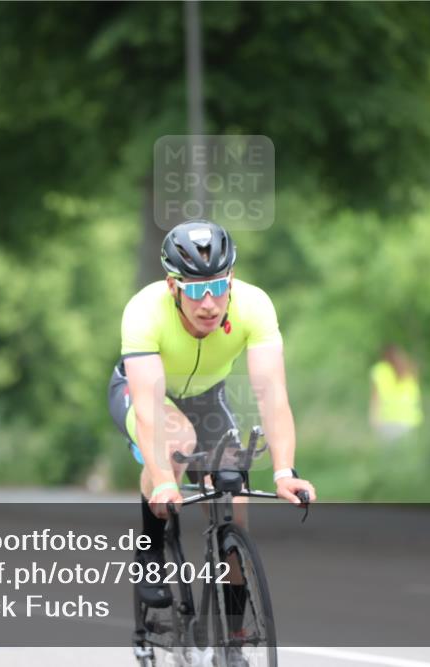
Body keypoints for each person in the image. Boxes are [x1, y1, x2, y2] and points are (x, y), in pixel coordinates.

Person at [108, 219, 316, 654]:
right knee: (176, 442)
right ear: (173, 286)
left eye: (218, 287)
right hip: (142, 392)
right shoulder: (144, 311)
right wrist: (164, 481)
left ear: (232, 280)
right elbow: (148, 410)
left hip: (207, 396)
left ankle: (236, 636)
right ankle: (151, 552)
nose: (209, 303)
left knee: (233, 494)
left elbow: (273, 395)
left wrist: (283, 471)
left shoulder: (254, 307)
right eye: (197, 289)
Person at [369, 345, 423, 441]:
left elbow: (375, 397)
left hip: (388, 421)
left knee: (390, 454)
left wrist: (373, 418)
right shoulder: (410, 369)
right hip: (410, 421)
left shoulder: (381, 370)